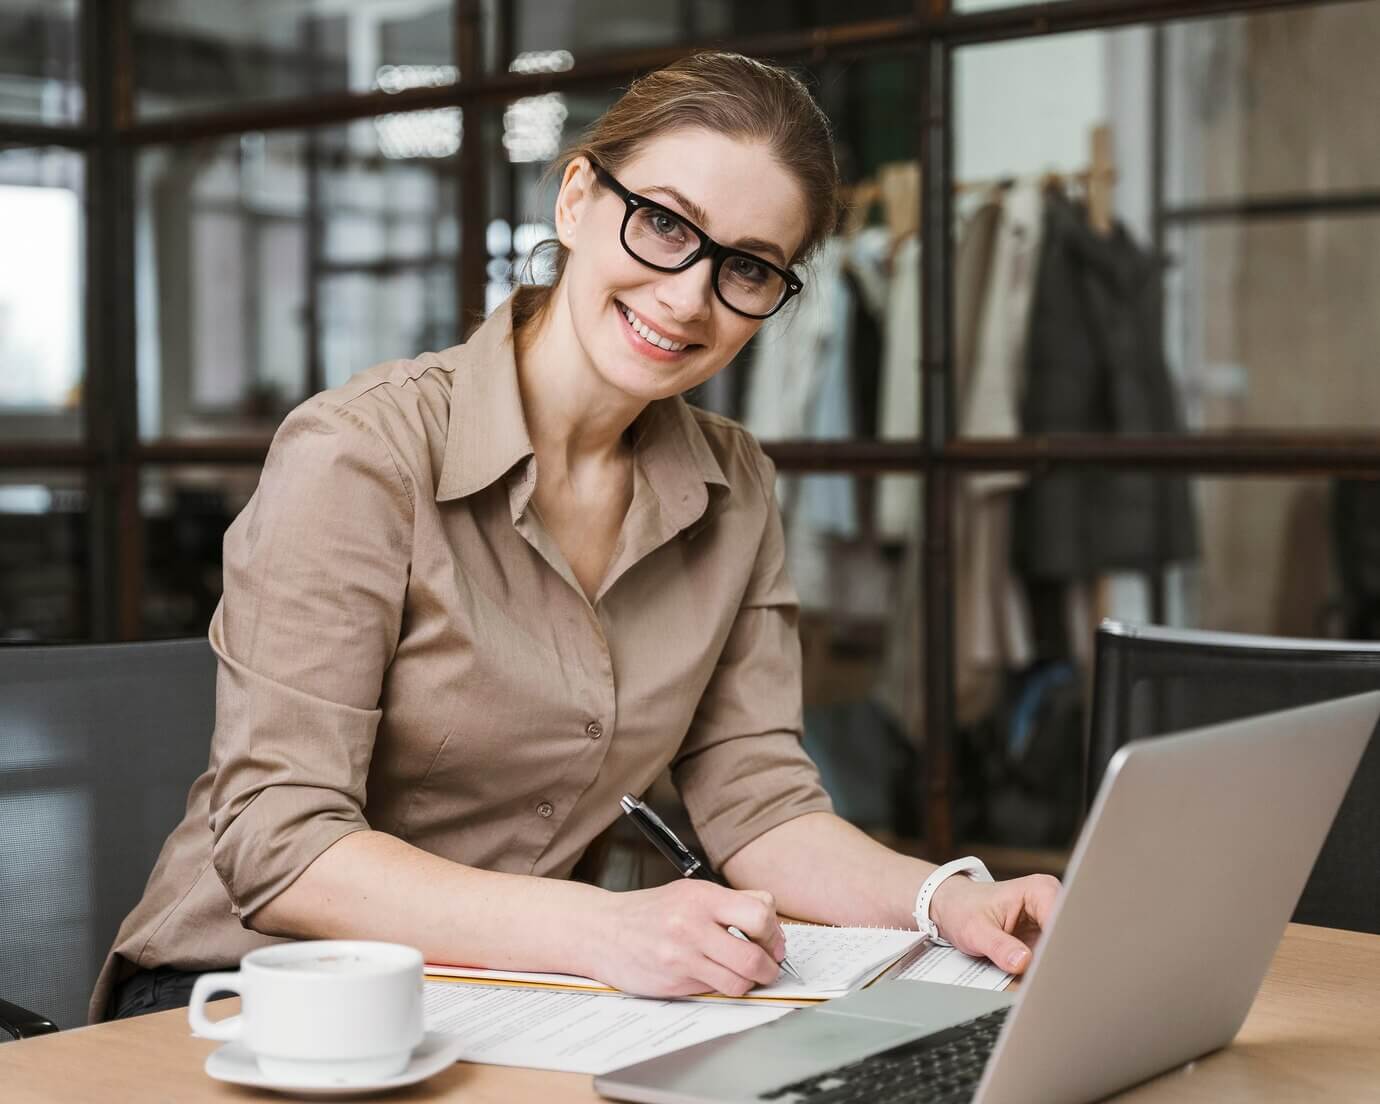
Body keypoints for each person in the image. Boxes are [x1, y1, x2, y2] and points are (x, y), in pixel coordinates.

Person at [93, 51, 1058, 1023]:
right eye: (666, 224)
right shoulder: (360, 457)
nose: (689, 297)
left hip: (508, 999)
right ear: (575, 200)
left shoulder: (736, 488)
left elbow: (760, 804)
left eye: (749, 268)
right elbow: (281, 845)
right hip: (240, 999)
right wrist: (607, 931)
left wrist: (950, 902)